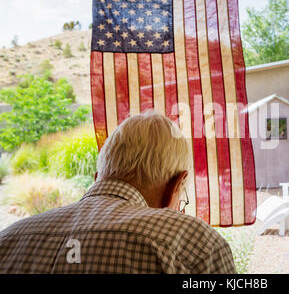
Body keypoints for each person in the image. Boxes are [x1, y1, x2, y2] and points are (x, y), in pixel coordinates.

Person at [0, 110, 236, 273]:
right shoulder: (190, 243)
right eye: (182, 200)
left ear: (97, 178)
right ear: (175, 186)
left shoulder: (8, 240)